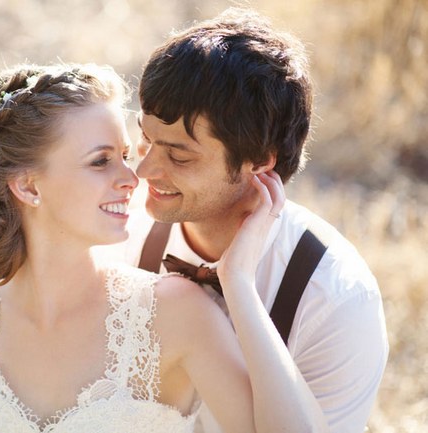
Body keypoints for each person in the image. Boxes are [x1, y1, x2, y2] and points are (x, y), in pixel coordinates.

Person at [0, 62, 308, 433]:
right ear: (29, 187)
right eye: (101, 161)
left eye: (125, 156)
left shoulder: (174, 314)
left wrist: (238, 280)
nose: (133, 179)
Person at [117, 7, 388, 433]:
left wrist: (238, 284)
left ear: (259, 163)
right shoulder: (120, 233)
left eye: (179, 155)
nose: (144, 170)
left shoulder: (336, 299)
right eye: (146, 139)